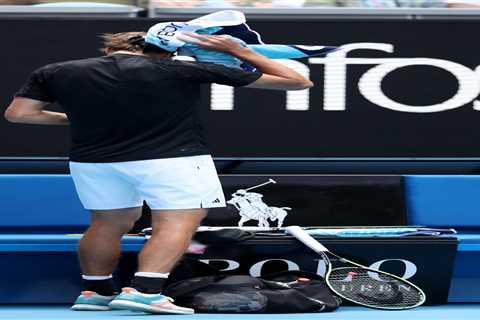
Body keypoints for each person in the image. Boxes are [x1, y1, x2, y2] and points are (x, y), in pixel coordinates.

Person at [4, 31, 312, 314]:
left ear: (110, 50)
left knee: (107, 223)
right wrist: (240, 51)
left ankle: (95, 292)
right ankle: (145, 291)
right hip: (172, 159)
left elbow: (19, 114)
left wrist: (79, 119)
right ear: (165, 53)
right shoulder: (181, 67)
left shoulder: (57, 70)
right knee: (178, 219)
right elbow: (297, 81)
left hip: (94, 161)